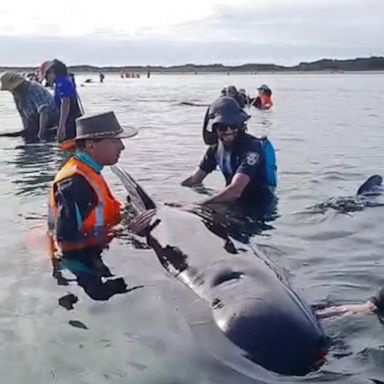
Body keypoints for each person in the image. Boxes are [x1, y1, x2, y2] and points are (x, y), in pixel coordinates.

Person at [182, 96, 277, 206]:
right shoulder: (215, 149)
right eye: (222, 127)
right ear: (214, 128)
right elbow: (195, 179)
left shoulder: (252, 148)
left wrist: (194, 205)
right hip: (233, 203)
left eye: (233, 126)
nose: (228, 131)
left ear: (240, 125)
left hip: (258, 208)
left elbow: (235, 190)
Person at [0, 71, 59, 140]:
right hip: (35, 123)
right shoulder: (17, 95)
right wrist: (26, 130)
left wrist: (41, 133)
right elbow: (23, 115)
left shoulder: (33, 88)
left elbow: (44, 111)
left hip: (51, 122)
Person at [39, 59, 83, 149]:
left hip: (71, 122)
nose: (46, 80)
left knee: (66, 148)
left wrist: (62, 126)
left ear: (52, 72)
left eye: (46, 77)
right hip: (72, 120)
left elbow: (65, 102)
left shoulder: (62, 83)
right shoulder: (63, 81)